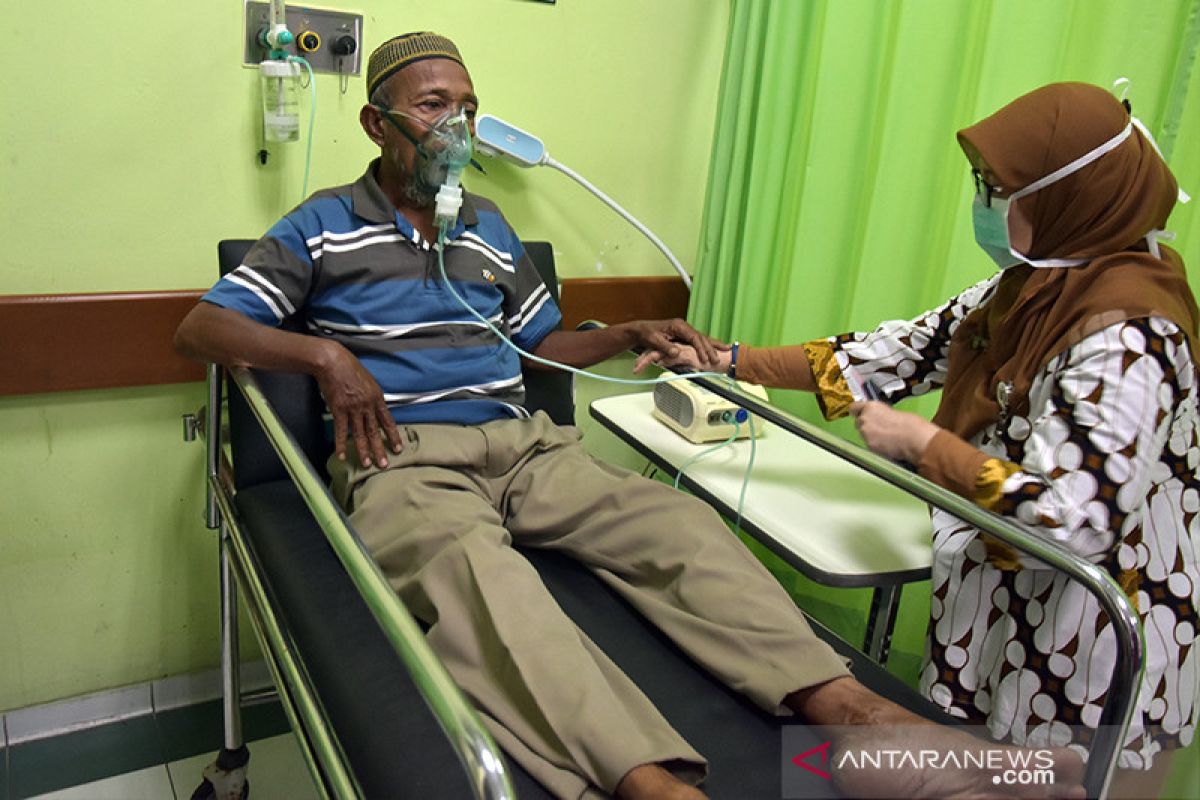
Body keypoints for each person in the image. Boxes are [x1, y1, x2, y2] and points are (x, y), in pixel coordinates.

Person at [176, 33, 1084, 800]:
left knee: (676, 521)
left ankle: (841, 708)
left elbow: (541, 347)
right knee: (481, 577)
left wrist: (624, 333)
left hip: (526, 448)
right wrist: (328, 357)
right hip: (406, 459)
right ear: (377, 124)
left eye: (468, 107)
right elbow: (200, 326)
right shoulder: (323, 224)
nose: (456, 127)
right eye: (432, 108)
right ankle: (643, 777)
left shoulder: (489, 228)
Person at [642, 82, 1199, 799]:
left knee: (1058, 787)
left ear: (1071, 197)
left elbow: (1076, 520)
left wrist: (926, 447)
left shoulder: (1130, 333)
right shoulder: (1029, 287)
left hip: (1088, 639)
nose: (987, 206)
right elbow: (884, 356)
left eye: (1002, 190)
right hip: (1005, 602)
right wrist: (727, 360)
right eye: (984, 186)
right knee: (977, 778)